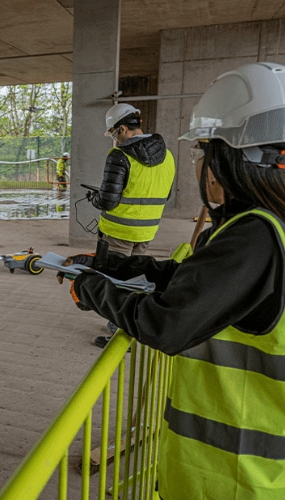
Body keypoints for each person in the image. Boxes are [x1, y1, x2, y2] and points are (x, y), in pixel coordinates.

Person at [66, 61, 285, 498]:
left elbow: (165, 324)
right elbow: (206, 283)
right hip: (240, 469)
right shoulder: (268, 226)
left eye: (203, 150)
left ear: (231, 160)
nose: (199, 164)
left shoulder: (253, 237)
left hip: (230, 477)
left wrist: (90, 288)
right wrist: (129, 268)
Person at [88, 102, 175, 348]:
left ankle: (118, 333)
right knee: (135, 279)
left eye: (115, 133)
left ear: (123, 128)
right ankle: (131, 326)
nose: (114, 139)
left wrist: (94, 198)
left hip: (117, 232)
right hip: (147, 230)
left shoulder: (120, 155)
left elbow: (107, 200)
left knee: (114, 281)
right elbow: (164, 195)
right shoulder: (167, 156)